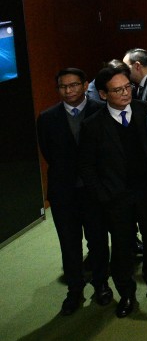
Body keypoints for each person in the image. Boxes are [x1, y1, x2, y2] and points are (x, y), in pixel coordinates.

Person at [79, 64, 147, 318]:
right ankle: (126, 293)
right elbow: (87, 166)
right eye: (118, 90)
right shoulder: (93, 125)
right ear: (104, 94)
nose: (125, 94)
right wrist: (104, 195)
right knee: (122, 247)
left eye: (128, 87)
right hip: (116, 198)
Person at [37, 68, 112, 315]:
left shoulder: (101, 110)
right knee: (69, 245)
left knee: (98, 240)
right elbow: (49, 153)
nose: (68, 91)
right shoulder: (47, 118)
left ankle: (101, 285)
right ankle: (75, 290)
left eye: (73, 85)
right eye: (63, 87)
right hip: (63, 192)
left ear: (85, 85)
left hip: (94, 191)